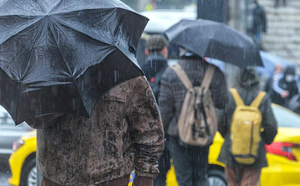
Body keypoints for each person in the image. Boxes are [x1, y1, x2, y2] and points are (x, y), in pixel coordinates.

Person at [26, 76, 164, 186]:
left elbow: (149, 130)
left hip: (110, 180)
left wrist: (145, 176)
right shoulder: (48, 71)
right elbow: (35, 119)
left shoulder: (124, 71)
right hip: (56, 178)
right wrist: (62, 92)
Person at [159, 47, 228, 186]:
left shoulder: (171, 73)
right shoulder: (214, 72)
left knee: (184, 178)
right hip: (203, 133)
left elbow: (164, 110)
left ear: (182, 48)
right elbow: (223, 102)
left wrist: (161, 135)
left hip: (177, 135)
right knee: (201, 176)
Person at [218, 68, 278, 186]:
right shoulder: (262, 98)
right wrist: (261, 139)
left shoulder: (231, 95)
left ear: (238, 77)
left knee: (232, 183)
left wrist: (230, 135)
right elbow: (272, 126)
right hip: (255, 153)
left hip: (231, 150)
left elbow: (220, 121)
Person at [141, 35, 170, 186]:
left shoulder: (138, 72)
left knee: (143, 174)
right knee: (161, 175)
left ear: (146, 51)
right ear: (165, 50)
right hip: (164, 134)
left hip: (141, 133)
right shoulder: (171, 73)